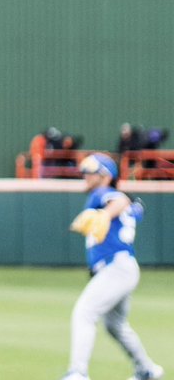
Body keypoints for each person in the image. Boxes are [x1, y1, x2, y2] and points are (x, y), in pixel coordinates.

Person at [60, 153, 163, 380]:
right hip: (123, 268)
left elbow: (122, 201)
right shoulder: (110, 196)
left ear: (105, 176)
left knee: (84, 312)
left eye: (91, 172)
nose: (85, 176)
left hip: (116, 267)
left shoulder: (103, 193)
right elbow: (134, 206)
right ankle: (146, 369)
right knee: (115, 325)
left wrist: (104, 214)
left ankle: (78, 372)